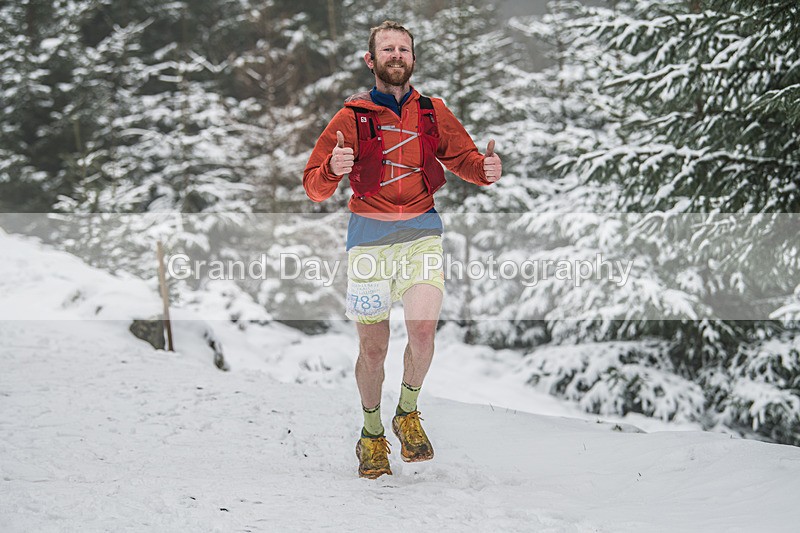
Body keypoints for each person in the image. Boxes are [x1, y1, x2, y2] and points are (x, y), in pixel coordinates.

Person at [303, 20, 502, 479]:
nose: (397, 55)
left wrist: (486, 169)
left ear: (413, 59)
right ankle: (371, 433)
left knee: (423, 333)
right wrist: (333, 169)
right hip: (369, 241)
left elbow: (465, 160)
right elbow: (313, 187)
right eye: (387, 49)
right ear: (371, 60)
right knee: (374, 351)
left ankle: (407, 411)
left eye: (404, 49)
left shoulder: (432, 111)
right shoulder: (350, 117)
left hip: (421, 234)